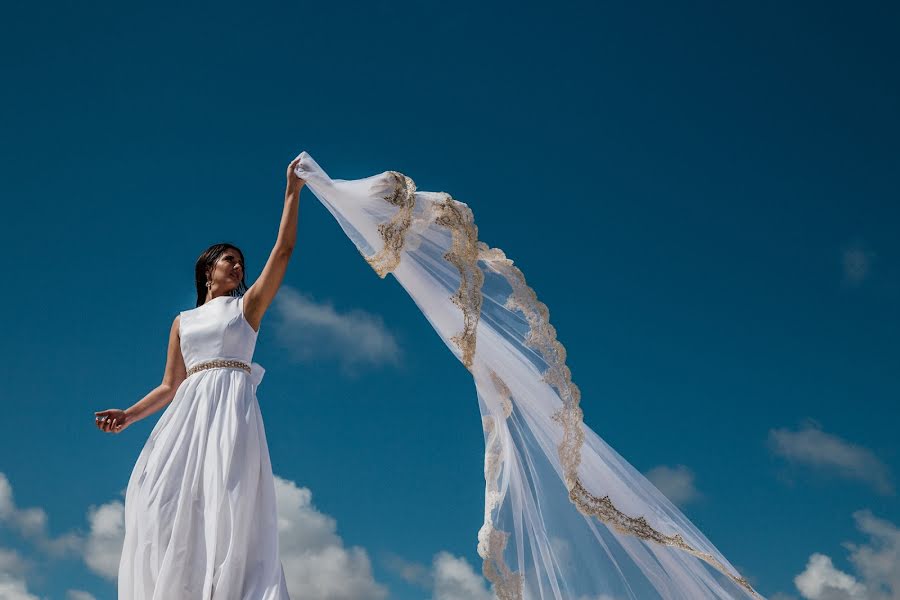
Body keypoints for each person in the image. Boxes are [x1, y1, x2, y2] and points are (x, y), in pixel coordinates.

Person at [94, 154, 306, 599]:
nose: (237, 266)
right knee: (164, 503)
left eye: (240, 263)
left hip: (231, 413)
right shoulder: (183, 322)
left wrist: (292, 192)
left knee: (228, 507)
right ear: (207, 271)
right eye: (229, 260)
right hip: (187, 418)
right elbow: (171, 385)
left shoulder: (246, 310)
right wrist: (129, 415)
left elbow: (282, 252)